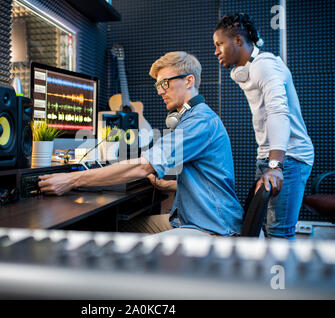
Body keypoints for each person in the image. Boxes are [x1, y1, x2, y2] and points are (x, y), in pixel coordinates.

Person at [38, 51, 244, 236]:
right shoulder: (195, 118)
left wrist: (72, 180)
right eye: (157, 85)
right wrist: (174, 185)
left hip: (213, 229)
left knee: (122, 246)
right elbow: (207, 179)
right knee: (119, 229)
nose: (159, 91)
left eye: (164, 83)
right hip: (197, 221)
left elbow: (144, 166)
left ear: (188, 81)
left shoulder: (198, 122)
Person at [213, 13, 314, 239]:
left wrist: (276, 166)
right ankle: (271, 274)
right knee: (267, 229)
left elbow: (278, 112)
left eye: (220, 44)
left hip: (289, 157)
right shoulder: (247, 71)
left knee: (279, 232)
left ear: (238, 41)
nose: (216, 51)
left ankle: (282, 274)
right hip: (269, 157)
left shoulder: (265, 66)